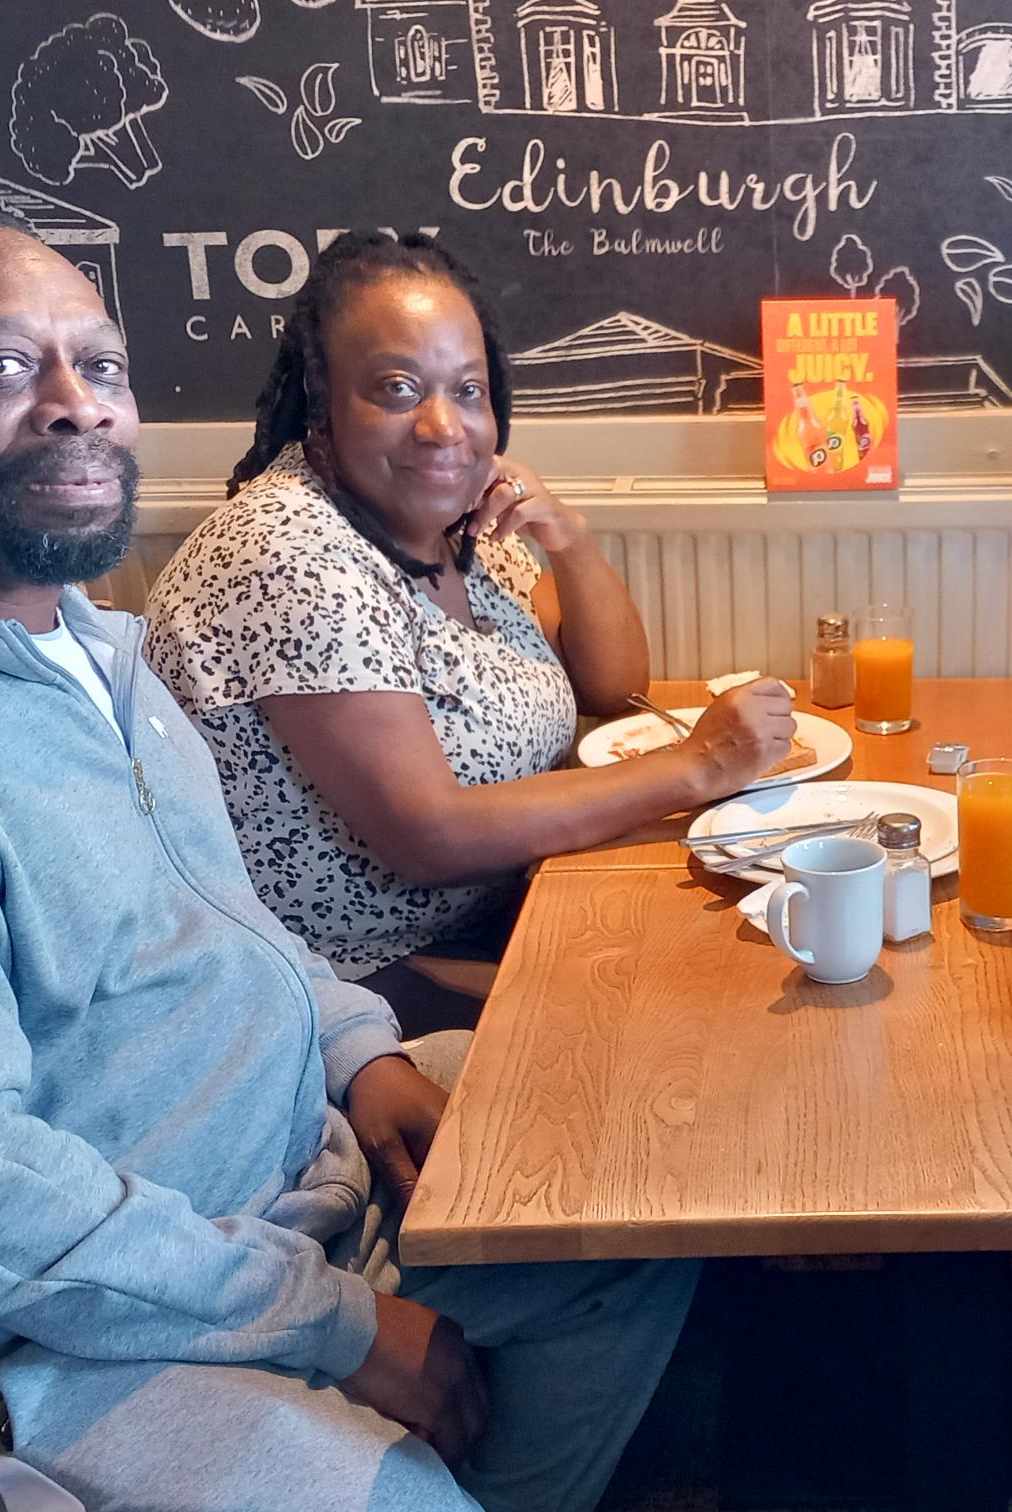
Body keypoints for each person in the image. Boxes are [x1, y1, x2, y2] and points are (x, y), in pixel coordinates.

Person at [0, 214, 695, 1512]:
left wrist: (363, 1052)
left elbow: (229, 916)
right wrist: (339, 1325)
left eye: (102, 367)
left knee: (622, 1215)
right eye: (3, 368)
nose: (78, 407)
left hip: (278, 1188)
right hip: (22, 1350)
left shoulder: (92, 648)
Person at [144, 232, 794, 1018]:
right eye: (395, 388)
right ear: (321, 403)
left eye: (469, 390)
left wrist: (572, 539)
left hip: (505, 909)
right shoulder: (288, 549)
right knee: (695, 1013)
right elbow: (429, 837)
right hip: (345, 983)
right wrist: (700, 766)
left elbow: (616, 687)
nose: (443, 426)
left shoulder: (449, 523)